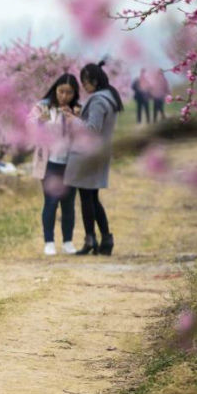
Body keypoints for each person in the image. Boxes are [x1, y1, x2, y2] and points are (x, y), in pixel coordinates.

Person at [64, 61, 123, 256]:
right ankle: (104, 239)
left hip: (87, 154)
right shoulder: (109, 96)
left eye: (85, 82)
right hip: (97, 154)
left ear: (94, 81)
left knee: (87, 198)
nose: (84, 87)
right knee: (92, 199)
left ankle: (93, 240)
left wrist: (74, 120)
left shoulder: (98, 100)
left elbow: (92, 129)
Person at [30, 74, 81, 255]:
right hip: (49, 162)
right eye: (61, 91)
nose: (64, 96)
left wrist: (75, 120)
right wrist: (39, 122)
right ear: (55, 90)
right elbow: (27, 127)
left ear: (74, 94)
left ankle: (68, 241)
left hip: (70, 162)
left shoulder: (77, 110)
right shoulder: (42, 107)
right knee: (51, 201)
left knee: (68, 203)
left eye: (69, 93)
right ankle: (49, 241)